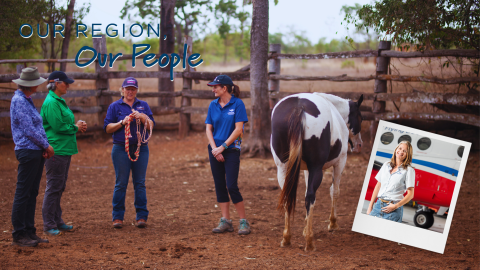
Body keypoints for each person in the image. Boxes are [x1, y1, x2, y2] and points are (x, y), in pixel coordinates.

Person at [10, 67, 54, 247]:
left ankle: (29, 230)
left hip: (35, 150)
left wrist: (43, 145)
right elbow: (29, 129)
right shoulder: (19, 101)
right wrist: (46, 145)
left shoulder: (26, 100)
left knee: (31, 192)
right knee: (23, 192)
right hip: (28, 150)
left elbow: (37, 127)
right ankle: (19, 233)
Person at [40, 71, 87, 236]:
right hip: (56, 150)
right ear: (56, 83)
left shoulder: (59, 101)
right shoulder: (52, 103)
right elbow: (58, 127)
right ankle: (49, 223)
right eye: (65, 83)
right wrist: (76, 127)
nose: (68, 85)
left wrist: (75, 125)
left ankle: (57, 220)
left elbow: (62, 123)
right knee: (54, 186)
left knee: (59, 186)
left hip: (64, 149)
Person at [104, 77, 154, 229]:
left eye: (133, 89)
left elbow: (152, 125)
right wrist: (122, 122)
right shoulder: (114, 106)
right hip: (120, 148)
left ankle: (141, 216)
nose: (130, 91)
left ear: (136, 90)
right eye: (128, 89)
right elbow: (107, 128)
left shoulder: (143, 106)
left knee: (140, 183)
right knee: (121, 182)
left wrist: (144, 118)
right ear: (122, 90)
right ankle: (117, 216)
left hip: (141, 147)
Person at [205, 75, 251, 235]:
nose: (213, 89)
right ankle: (226, 221)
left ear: (224, 88)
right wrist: (214, 149)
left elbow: (238, 129)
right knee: (219, 185)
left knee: (231, 185)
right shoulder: (213, 105)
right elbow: (208, 129)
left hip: (231, 150)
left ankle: (243, 222)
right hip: (214, 150)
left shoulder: (237, 104)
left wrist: (222, 147)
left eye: (215, 87)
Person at [367, 141, 415, 222]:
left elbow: (410, 194)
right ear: (396, 149)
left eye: (405, 151)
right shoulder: (386, 165)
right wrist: (370, 206)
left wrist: (396, 206)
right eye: (400, 148)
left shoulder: (409, 170)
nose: (401, 152)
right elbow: (378, 186)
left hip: (393, 210)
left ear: (408, 154)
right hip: (378, 205)